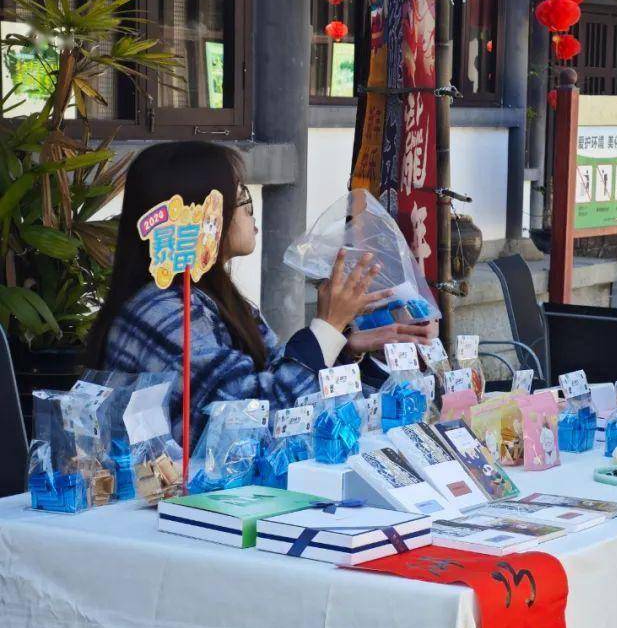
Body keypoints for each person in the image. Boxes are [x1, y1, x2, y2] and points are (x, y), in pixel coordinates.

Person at [85, 141, 437, 440]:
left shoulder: (217, 301)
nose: (251, 213)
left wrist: (344, 346)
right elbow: (257, 417)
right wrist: (327, 329)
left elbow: (273, 374)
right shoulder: (162, 311)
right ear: (199, 216)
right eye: (241, 198)